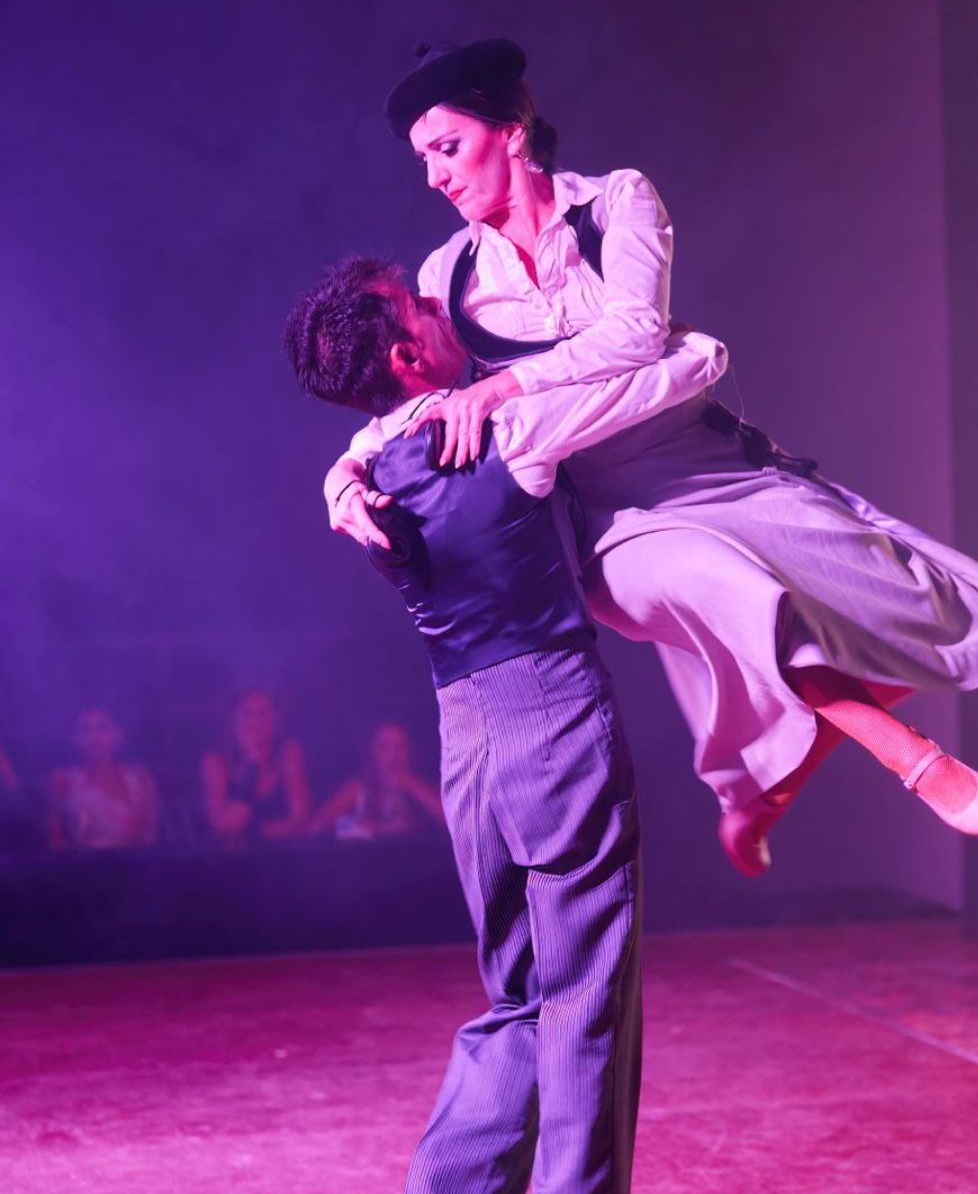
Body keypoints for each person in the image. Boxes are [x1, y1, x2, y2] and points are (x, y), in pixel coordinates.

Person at [322, 39, 978, 876]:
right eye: (421, 159)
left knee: (892, 620)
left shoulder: (616, 204)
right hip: (607, 520)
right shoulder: (448, 274)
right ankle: (912, 760)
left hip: (706, 465)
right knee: (728, 587)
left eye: (446, 148)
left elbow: (637, 332)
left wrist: (504, 389)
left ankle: (760, 797)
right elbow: (416, 404)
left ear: (510, 132)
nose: (433, 177)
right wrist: (343, 476)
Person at [285, 256, 725, 1192]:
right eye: (417, 304)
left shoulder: (367, 475)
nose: (441, 303)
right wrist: (531, 373)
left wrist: (340, 476)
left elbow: (355, 455)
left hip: (465, 739)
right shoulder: (509, 427)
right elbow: (695, 361)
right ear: (408, 354)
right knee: (587, 999)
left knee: (521, 998)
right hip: (551, 720)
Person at [200, 689, 311, 846]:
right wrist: (252, 767)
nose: (257, 721)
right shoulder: (215, 761)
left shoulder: (288, 752)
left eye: (264, 712)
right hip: (232, 860)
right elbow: (225, 826)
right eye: (248, 714)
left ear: (275, 718)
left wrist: (251, 832)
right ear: (233, 720)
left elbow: (300, 819)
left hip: (284, 852)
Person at [47, 707, 158, 850]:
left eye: (102, 728)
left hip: (135, 866)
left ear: (117, 734)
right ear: (76, 740)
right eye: (85, 730)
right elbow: (56, 837)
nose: (95, 738)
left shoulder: (140, 778)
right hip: (83, 867)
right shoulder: (64, 781)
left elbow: (148, 835)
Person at [308, 722, 443, 840]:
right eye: (384, 747)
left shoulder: (425, 786)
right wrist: (358, 829)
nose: (393, 756)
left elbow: (454, 824)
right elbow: (316, 827)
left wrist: (414, 787)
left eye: (400, 746)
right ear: (373, 752)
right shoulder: (359, 788)